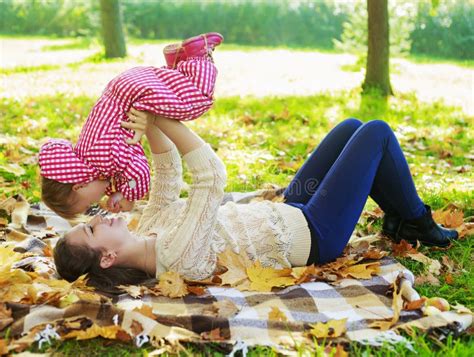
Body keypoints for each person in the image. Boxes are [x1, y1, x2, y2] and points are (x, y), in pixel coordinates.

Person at [53, 114, 458, 292]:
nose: (101, 216)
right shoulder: (176, 256)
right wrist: (169, 121)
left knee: (351, 129)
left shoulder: (148, 230)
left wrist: (153, 122)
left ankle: (399, 219)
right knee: (376, 133)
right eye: (91, 227)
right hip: (316, 231)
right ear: (106, 258)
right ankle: (415, 221)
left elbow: (167, 177)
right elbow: (210, 178)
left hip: (291, 208)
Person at [38, 32, 223, 219]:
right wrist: (117, 192)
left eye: (90, 202)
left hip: (135, 93)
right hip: (128, 87)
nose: (98, 200)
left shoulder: (102, 158)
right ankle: (177, 61)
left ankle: (197, 55)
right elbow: (118, 168)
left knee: (194, 101)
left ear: (79, 185)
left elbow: (138, 169)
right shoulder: (90, 159)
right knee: (174, 92)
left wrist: (130, 196)